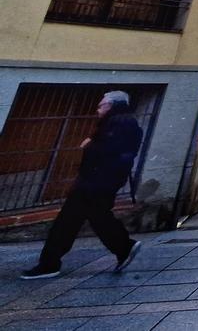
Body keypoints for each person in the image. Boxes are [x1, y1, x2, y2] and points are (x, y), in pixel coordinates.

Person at [21, 91, 144, 279]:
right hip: (99, 182)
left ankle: (50, 264)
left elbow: (112, 152)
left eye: (101, 105)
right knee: (95, 218)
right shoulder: (121, 121)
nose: (98, 109)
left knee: (67, 222)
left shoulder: (120, 122)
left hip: (95, 183)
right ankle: (124, 247)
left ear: (112, 105)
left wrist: (90, 145)